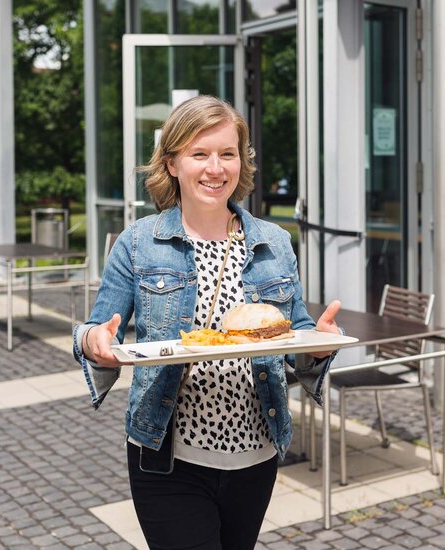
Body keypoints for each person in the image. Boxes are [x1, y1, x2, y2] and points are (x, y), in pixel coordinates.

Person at [73, 95, 342, 550]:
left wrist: (318, 345)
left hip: (256, 455)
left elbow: (293, 335)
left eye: (227, 153)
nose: (215, 168)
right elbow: (99, 331)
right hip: (166, 457)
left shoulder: (275, 242)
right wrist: (96, 341)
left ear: (242, 162)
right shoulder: (139, 243)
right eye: (200, 154)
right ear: (173, 162)